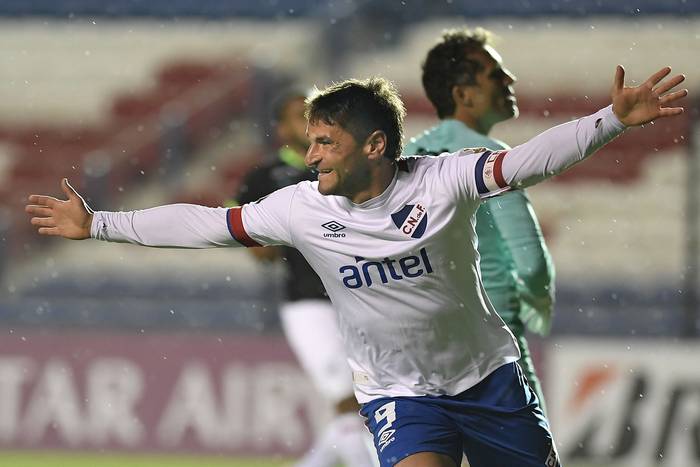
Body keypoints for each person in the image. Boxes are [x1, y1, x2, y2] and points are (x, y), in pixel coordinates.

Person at [26, 65, 686, 467]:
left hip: (487, 376)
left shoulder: (441, 180)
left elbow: (528, 161)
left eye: (324, 142)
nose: (310, 156)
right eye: (309, 140)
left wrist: (609, 121)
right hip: (399, 392)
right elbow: (208, 224)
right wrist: (100, 224)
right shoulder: (300, 207)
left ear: (374, 144)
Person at [403, 27, 554, 412]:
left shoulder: (405, 158)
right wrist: (539, 298)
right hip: (492, 333)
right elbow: (530, 260)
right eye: (495, 74)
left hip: (423, 339)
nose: (510, 80)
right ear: (463, 94)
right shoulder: (490, 157)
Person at [233, 89, 375, 467]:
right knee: (348, 400)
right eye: (300, 115)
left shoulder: (346, 166)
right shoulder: (265, 178)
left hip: (363, 297)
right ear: (281, 128)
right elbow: (260, 252)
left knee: (368, 403)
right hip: (309, 301)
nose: (309, 122)